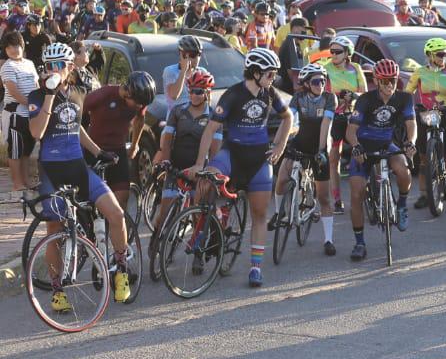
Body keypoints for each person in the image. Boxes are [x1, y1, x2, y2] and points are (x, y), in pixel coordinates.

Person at [29, 42, 134, 309]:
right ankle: (57, 290)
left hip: (77, 166)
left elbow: (77, 129)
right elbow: (37, 133)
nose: (53, 70)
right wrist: (50, 95)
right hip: (51, 169)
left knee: (116, 213)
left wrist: (99, 152)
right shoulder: (37, 96)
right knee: (54, 228)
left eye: (59, 65)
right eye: (49, 65)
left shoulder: (79, 92)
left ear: (70, 68)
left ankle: (121, 269)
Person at [187, 48, 292, 288]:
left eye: (274, 74)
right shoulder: (233, 95)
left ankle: (255, 268)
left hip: (258, 159)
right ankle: (200, 230)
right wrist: (199, 162)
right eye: (269, 73)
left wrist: (279, 146)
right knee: (204, 184)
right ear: (255, 72)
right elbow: (211, 130)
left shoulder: (270, 93)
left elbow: (288, 118)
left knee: (259, 214)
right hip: (232, 154)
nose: (273, 78)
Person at [346, 59, 416, 258]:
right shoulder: (365, 100)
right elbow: (351, 132)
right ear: (377, 81)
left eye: (392, 80)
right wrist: (356, 147)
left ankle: (401, 205)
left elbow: (411, 123)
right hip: (364, 146)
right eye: (384, 81)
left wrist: (410, 142)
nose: (389, 85)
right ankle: (359, 243)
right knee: (356, 194)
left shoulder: (404, 98)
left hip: (386, 143)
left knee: (403, 169)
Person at [272, 62, 337, 256]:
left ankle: (328, 239)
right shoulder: (298, 98)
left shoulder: (329, 98)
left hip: (319, 145)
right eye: (316, 81)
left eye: (323, 81)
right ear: (307, 83)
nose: (321, 85)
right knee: (282, 180)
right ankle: (279, 213)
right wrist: (276, 144)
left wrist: (321, 151)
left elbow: (326, 124)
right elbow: (289, 121)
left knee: (324, 197)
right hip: (300, 143)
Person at [150, 68, 217, 250]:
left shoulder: (213, 116)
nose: (194, 95)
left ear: (207, 92)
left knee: (198, 213)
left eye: (199, 91)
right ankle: (156, 236)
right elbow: (168, 138)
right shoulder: (178, 112)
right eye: (191, 90)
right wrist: (165, 161)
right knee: (164, 210)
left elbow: (215, 149)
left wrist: (210, 171)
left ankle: (198, 253)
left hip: (199, 169)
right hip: (177, 165)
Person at [407, 37, 446, 209]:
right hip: (426, 113)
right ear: (430, 55)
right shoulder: (420, 72)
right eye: (440, 54)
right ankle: (424, 194)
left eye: (445, 54)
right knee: (424, 158)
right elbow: (407, 92)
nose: (443, 57)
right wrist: (409, 106)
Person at [82, 72, 154, 213]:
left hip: (117, 151)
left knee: (122, 199)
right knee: (89, 201)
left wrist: (134, 145)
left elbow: (140, 119)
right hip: (93, 149)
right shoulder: (102, 95)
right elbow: (76, 113)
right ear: (128, 92)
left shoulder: (139, 101)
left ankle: (117, 231)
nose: (139, 106)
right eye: (138, 103)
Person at [319, 35, 367, 213]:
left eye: (338, 52)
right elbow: (321, 92)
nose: (333, 55)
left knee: (363, 152)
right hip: (337, 116)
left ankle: (370, 188)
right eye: (332, 51)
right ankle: (337, 199)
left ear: (347, 54)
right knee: (334, 158)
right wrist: (338, 96)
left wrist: (354, 96)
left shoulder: (356, 68)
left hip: (354, 115)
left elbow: (364, 92)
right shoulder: (325, 68)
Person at [2, 31, 38, 208]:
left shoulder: (30, 64)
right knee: (15, 150)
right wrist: (31, 103)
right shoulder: (7, 67)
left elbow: (37, 85)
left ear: (22, 46)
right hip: (16, 113)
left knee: (26, 150)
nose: (13, 49)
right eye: (9, 47)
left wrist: (37, 104)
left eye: (16, 45)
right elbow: (13, 91)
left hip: (30, 114)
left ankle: (26, 181)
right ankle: (17, 184)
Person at [160, 35, 205, 114]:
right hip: (176, 120)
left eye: (199, 54)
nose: (197, 59)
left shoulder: (202, 72)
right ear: (182, 55)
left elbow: (206, 101)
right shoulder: (170, 71)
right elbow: (174, 95)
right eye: (192, 55)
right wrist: (183, 71)